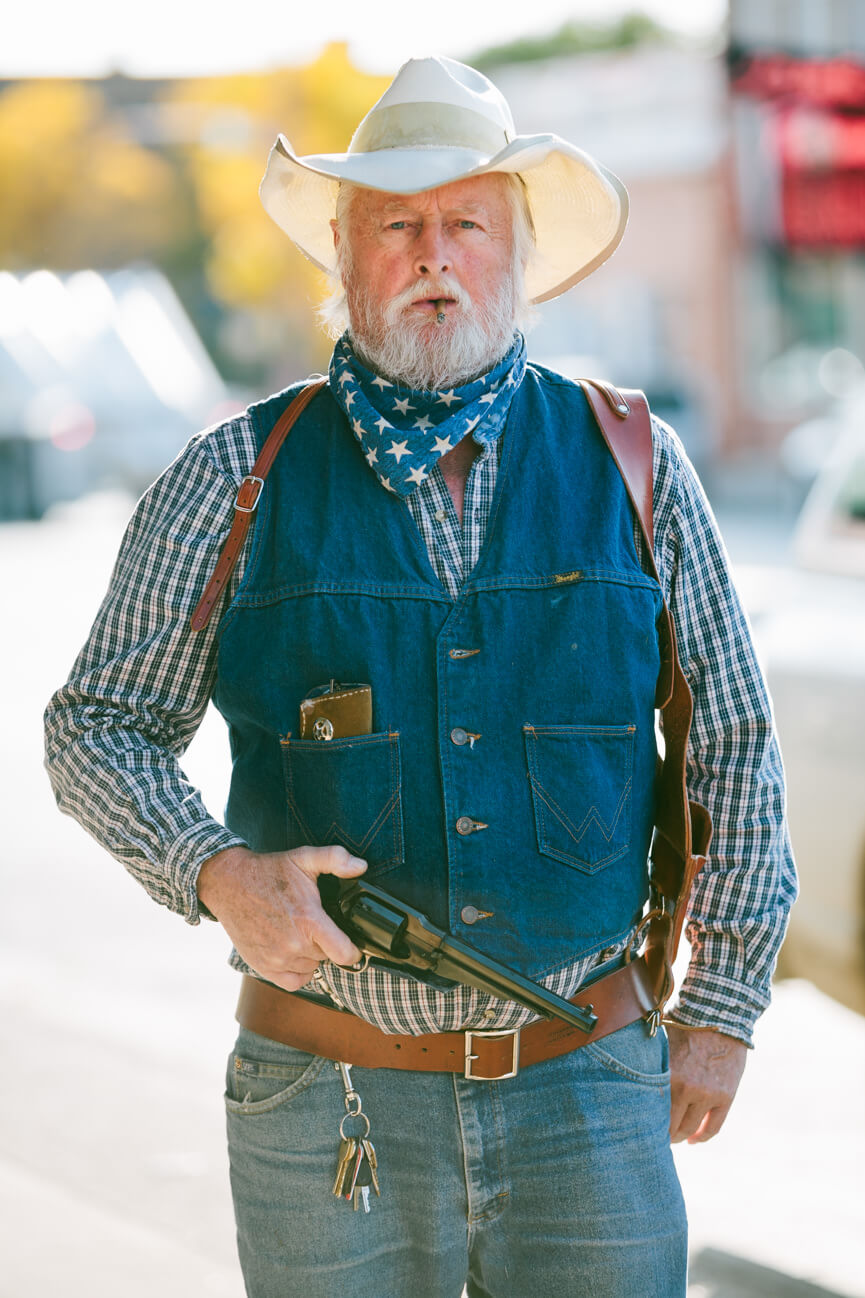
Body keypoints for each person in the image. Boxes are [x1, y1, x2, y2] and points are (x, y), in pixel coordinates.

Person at [44, 55, 796, 1298]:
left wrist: (721, 1010)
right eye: (396, 223)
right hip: (320, 1099)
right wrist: (216, 872)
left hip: (589, 1088)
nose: (432, 253)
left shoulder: (636, 462)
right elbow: (97, 724)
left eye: (465, 222)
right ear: (344, 255)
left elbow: (733, 744)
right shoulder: (234, 473)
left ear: (517, 253)